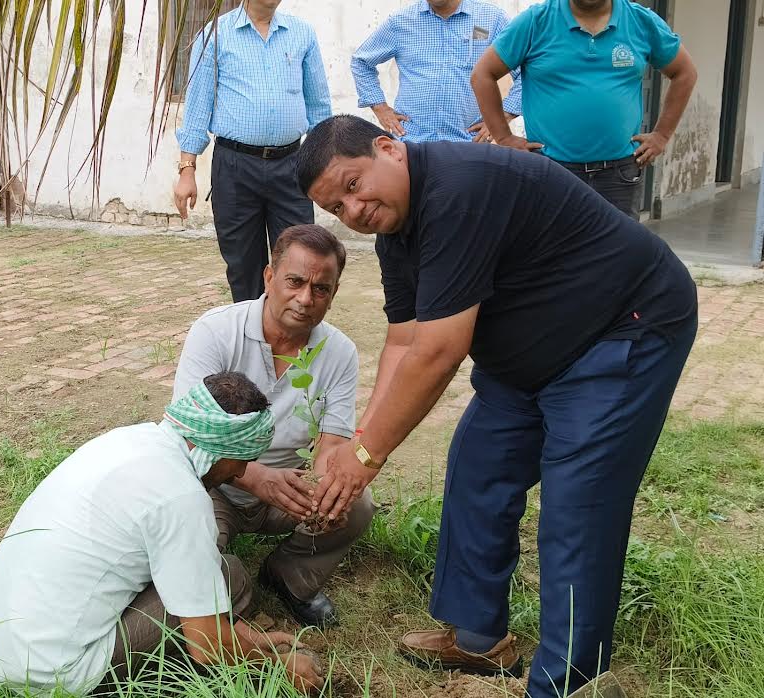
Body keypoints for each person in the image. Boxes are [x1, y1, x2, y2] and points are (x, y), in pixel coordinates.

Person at [294, 115, 698, 698]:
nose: (352, 212)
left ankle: (569, 681)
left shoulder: (460, 188)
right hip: (534, 351)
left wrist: (365, 456)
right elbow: (405, 340)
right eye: (336, 207)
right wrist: (359, 439)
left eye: (353, 186)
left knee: (577, 506)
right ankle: (479, 638)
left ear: (390, 148)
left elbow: (439, 351)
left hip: (624, 327)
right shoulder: (394, 235)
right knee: (479, 465)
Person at [0, 372, 323, 695]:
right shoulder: (182, 497)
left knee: (216, 574)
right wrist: (278, 665)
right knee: (229, 579)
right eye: (243, 459)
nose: (243, 471)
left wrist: (244, 636)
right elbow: (207, 646)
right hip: (50, 675)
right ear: (222, 450)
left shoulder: (130, 439)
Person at [173, 224, 372, 630]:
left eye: (322, 289)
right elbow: (189, 432)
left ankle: (289, 576)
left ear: (333, 295)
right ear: (269, 277)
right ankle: (221, 583)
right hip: (214, 484)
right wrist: (257, 476)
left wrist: (320, 489)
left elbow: (333, 440)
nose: (305, 299)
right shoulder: (215, 331)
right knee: (184, 559)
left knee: (354, 504)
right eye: (295, 282)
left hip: (289, 490)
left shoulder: (339, 352)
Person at [471, 0, 697, 219]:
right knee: (551, 255)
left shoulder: (640, 21)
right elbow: (483, 75)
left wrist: (662, 135)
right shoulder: (536, 21)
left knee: (617, 255)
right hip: (551, 171)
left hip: (619, 177)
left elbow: (685, 72)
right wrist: (503, 137)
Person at [173, 0, 332, 301]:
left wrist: (326, 164)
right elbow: (197, 106)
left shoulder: (302, 34)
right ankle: (250, 339)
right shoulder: (215, 35)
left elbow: (319, 107)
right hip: (234, 169)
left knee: (300, 259)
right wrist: (187, 170)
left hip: (291, 166)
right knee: (243, 265)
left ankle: (293, 341)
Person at [351, 0, 522, 144]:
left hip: (468, 144)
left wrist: (503, 116)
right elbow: (361, 61)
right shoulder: (400, 22)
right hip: (412, 143)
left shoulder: (492, 19)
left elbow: (526, 71)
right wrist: (381, 108)